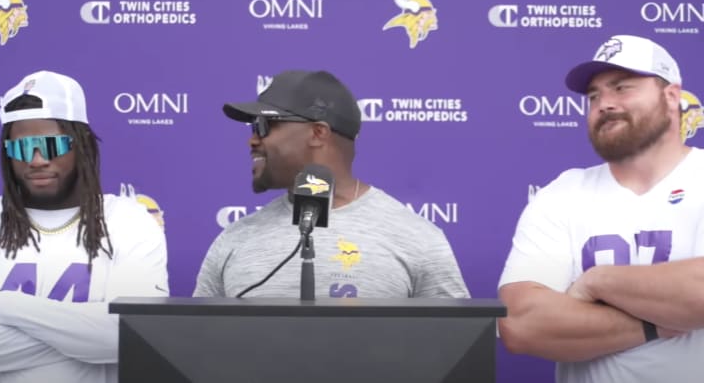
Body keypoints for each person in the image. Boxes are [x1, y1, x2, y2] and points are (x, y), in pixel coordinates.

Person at [498, 34, 704, 383]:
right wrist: (659, 323)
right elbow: (521, 325)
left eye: (622, 88)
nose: (604, 103)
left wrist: (597, 281)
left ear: (671, 97)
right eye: (594, 96)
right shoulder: (562, 193)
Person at [194, 70, 468, 299]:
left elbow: (455, 348)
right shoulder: (234, 239)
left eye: (263, 126)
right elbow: (197, 343)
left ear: (317, 133)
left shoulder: (416, 238)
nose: (253, 140)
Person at [0, 71, 169, 382]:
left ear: (81, 143)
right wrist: (84, 337)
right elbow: (112, 338)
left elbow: (133, 337)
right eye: (21, 148)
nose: (37, 159)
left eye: (51, 145)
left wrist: (5, 305)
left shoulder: (128, 220)